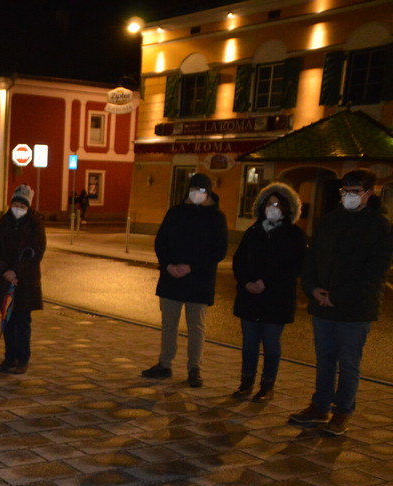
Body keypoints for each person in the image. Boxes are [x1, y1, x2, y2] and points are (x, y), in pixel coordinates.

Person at [289, 168, 393, 435]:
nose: (348, 196)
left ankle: (343, 410)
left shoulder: (380, 227)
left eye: (354, 192)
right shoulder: (329, 221)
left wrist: (337, 296)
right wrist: (313, 289)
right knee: (324, 358)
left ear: (368, 194)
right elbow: (310, 260)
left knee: (348, 362)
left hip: (355, 309)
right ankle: (320, 406)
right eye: (344, 191)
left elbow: (374, 272)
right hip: (321, 304)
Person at [141, 172, 228, 387]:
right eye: (193, 190)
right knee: (169, 324)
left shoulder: (216, 217)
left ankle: (194, 368)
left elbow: (218, 250)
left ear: (208, 193)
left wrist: (192, 267)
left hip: (199, 280)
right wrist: (168, 264)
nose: (196, 194)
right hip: (172, 278)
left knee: (196, 326)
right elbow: (161, 242)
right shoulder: (176, 213)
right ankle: (165, 364)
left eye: (201, 191)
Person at [231, 182, 306, 402]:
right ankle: (246, 383)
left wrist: (266, 283)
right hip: (250, 298)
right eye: (269, 203)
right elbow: (239, 261)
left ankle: (267, 386)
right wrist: (246, 282)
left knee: (271, 344)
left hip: (276, 300)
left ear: (287, 208)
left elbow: (293, 267)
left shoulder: (293, 235)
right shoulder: (253, 231)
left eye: (278, 204)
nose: (272, 207)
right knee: (249, 344)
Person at [0, 184, 46, 374]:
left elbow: (36, 253)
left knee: (22, 321)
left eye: (22, 205)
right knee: (7, 320)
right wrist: (5, 270)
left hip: (25, 282)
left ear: (28, 206)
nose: (18, 207)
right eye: (16, 203)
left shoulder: (35, 223)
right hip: (5, 279)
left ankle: (23, 359)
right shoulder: (5, 221)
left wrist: (17, 272)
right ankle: (9, 358)